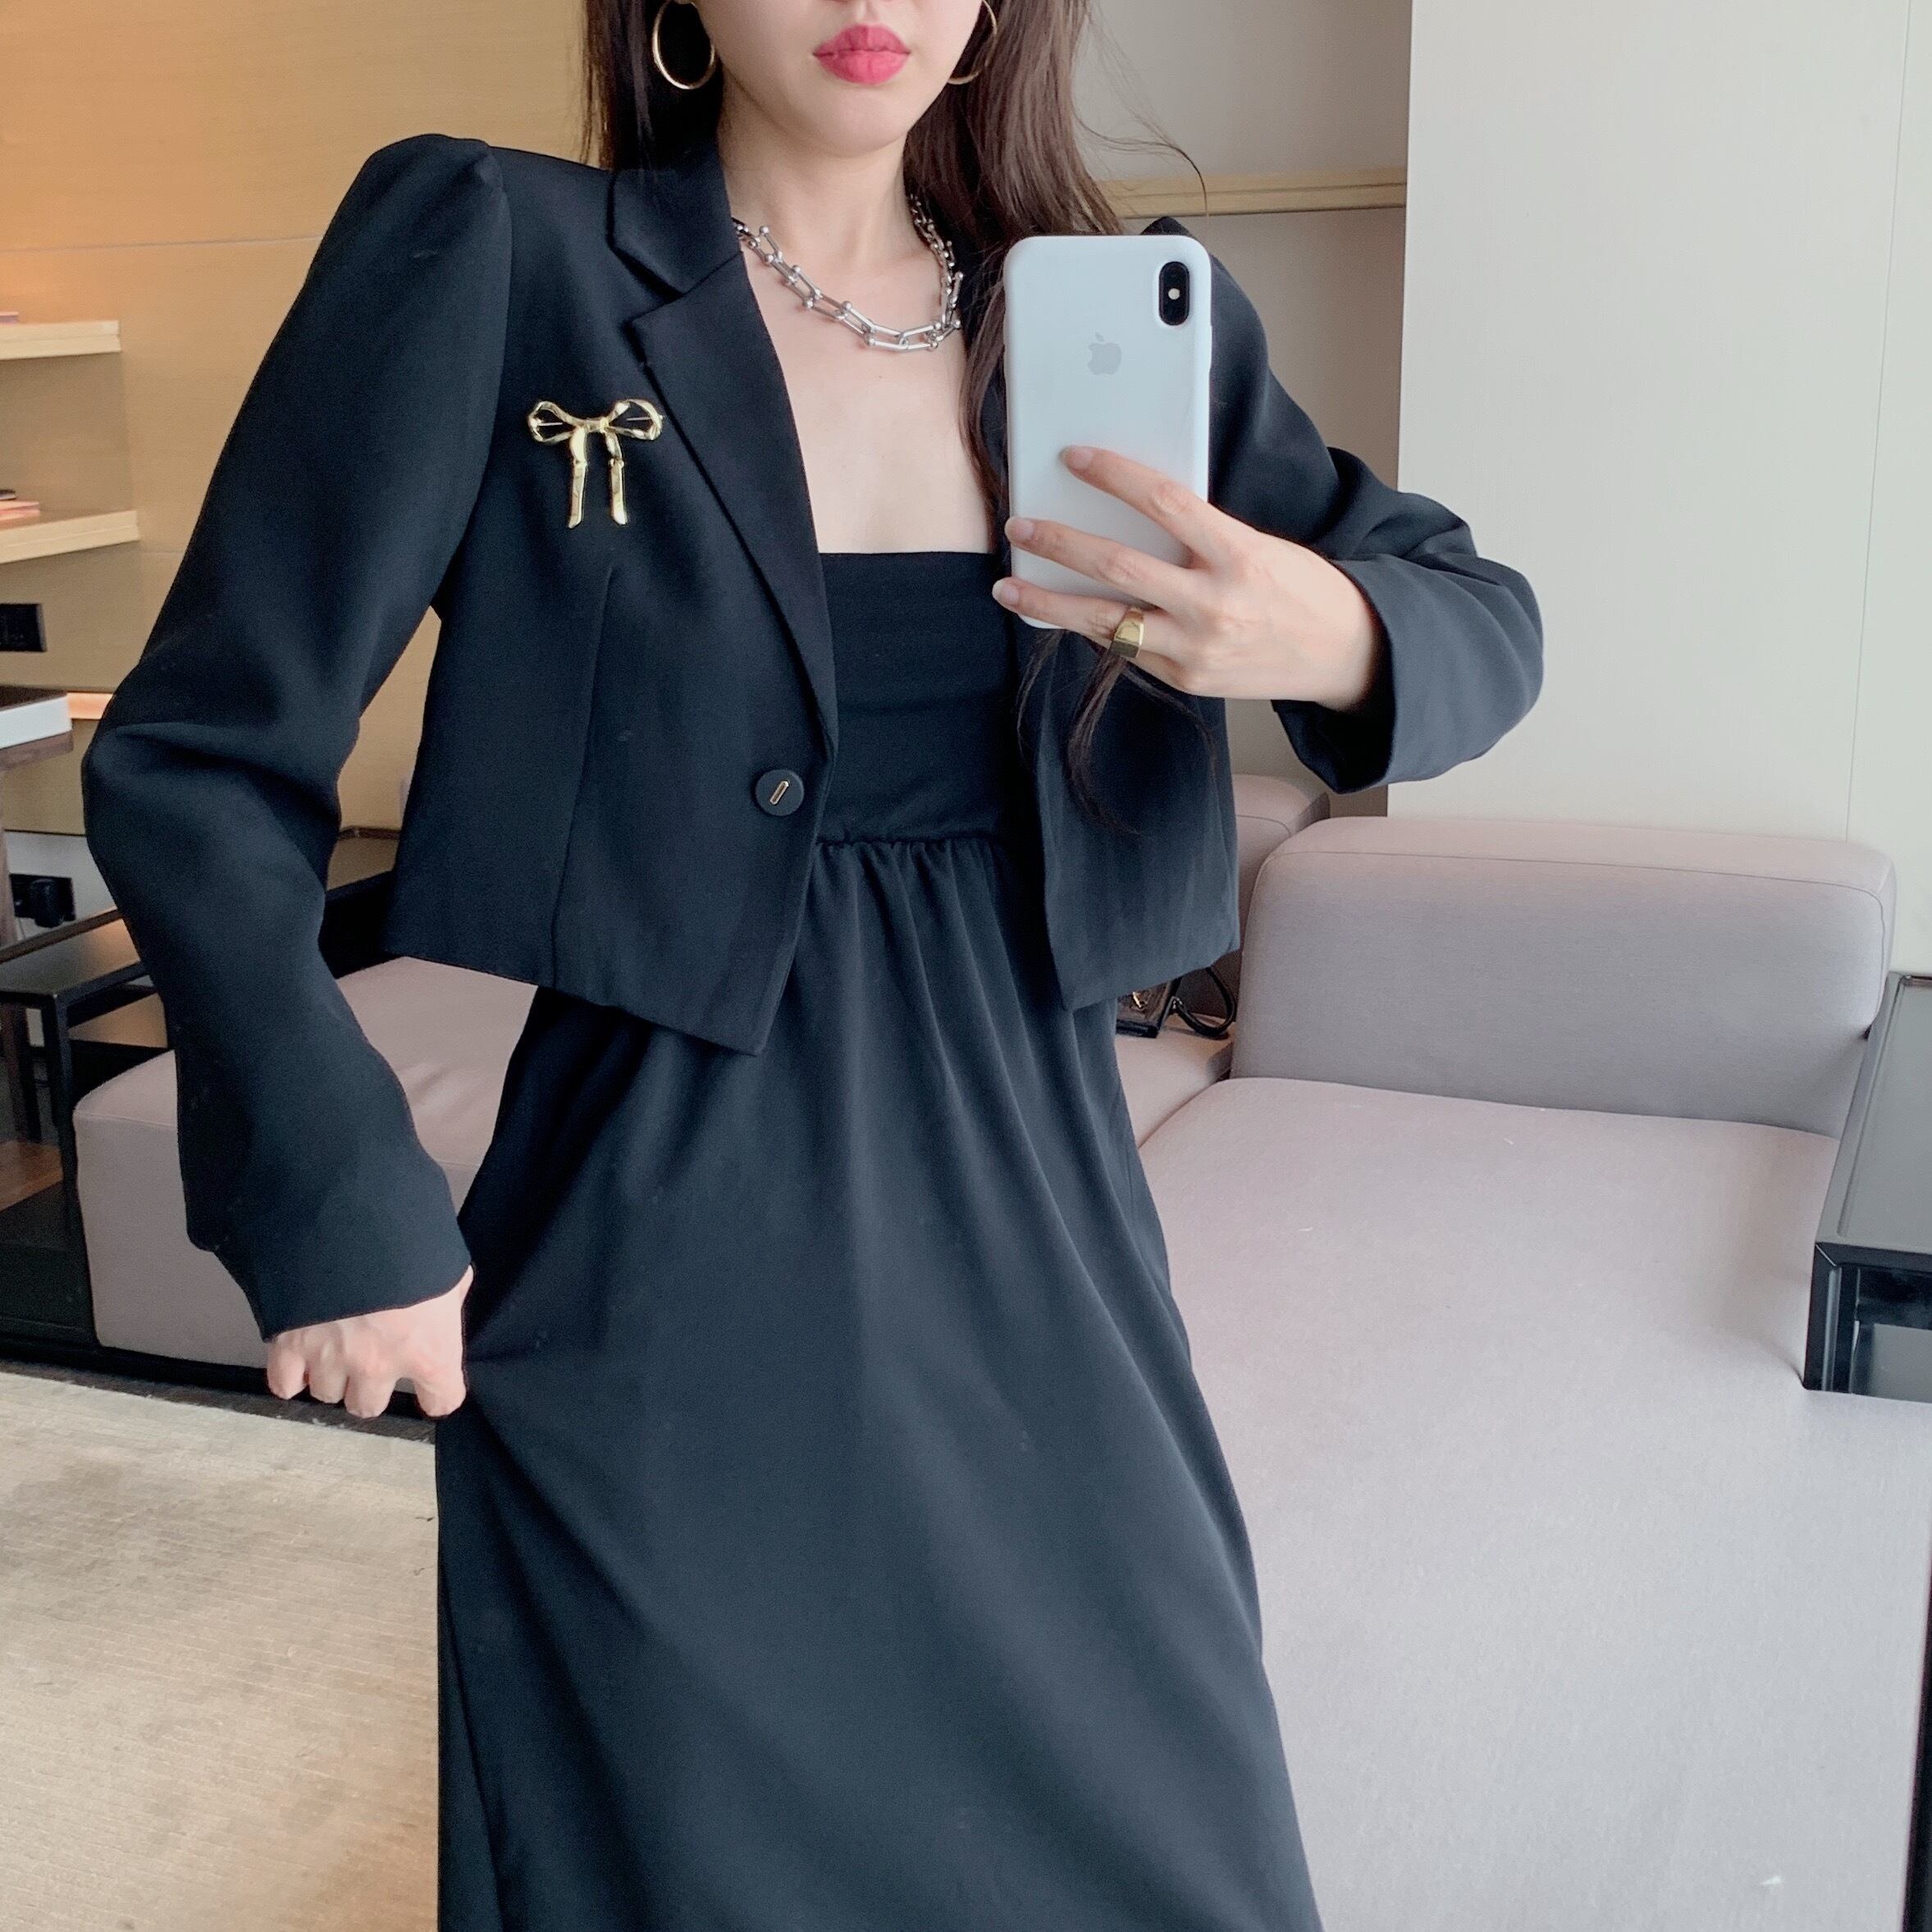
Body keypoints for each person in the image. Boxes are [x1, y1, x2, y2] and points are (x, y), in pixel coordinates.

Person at [80, 1, 1544, 1925]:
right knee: (679, 1854)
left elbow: (1479, 618)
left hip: (1042, 1235)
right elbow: (199, 760)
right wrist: (339, 1197)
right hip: (652, 1257)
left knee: (1170, 1833)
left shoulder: (1100, 318)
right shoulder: (502, 257)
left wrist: (1321, 626)